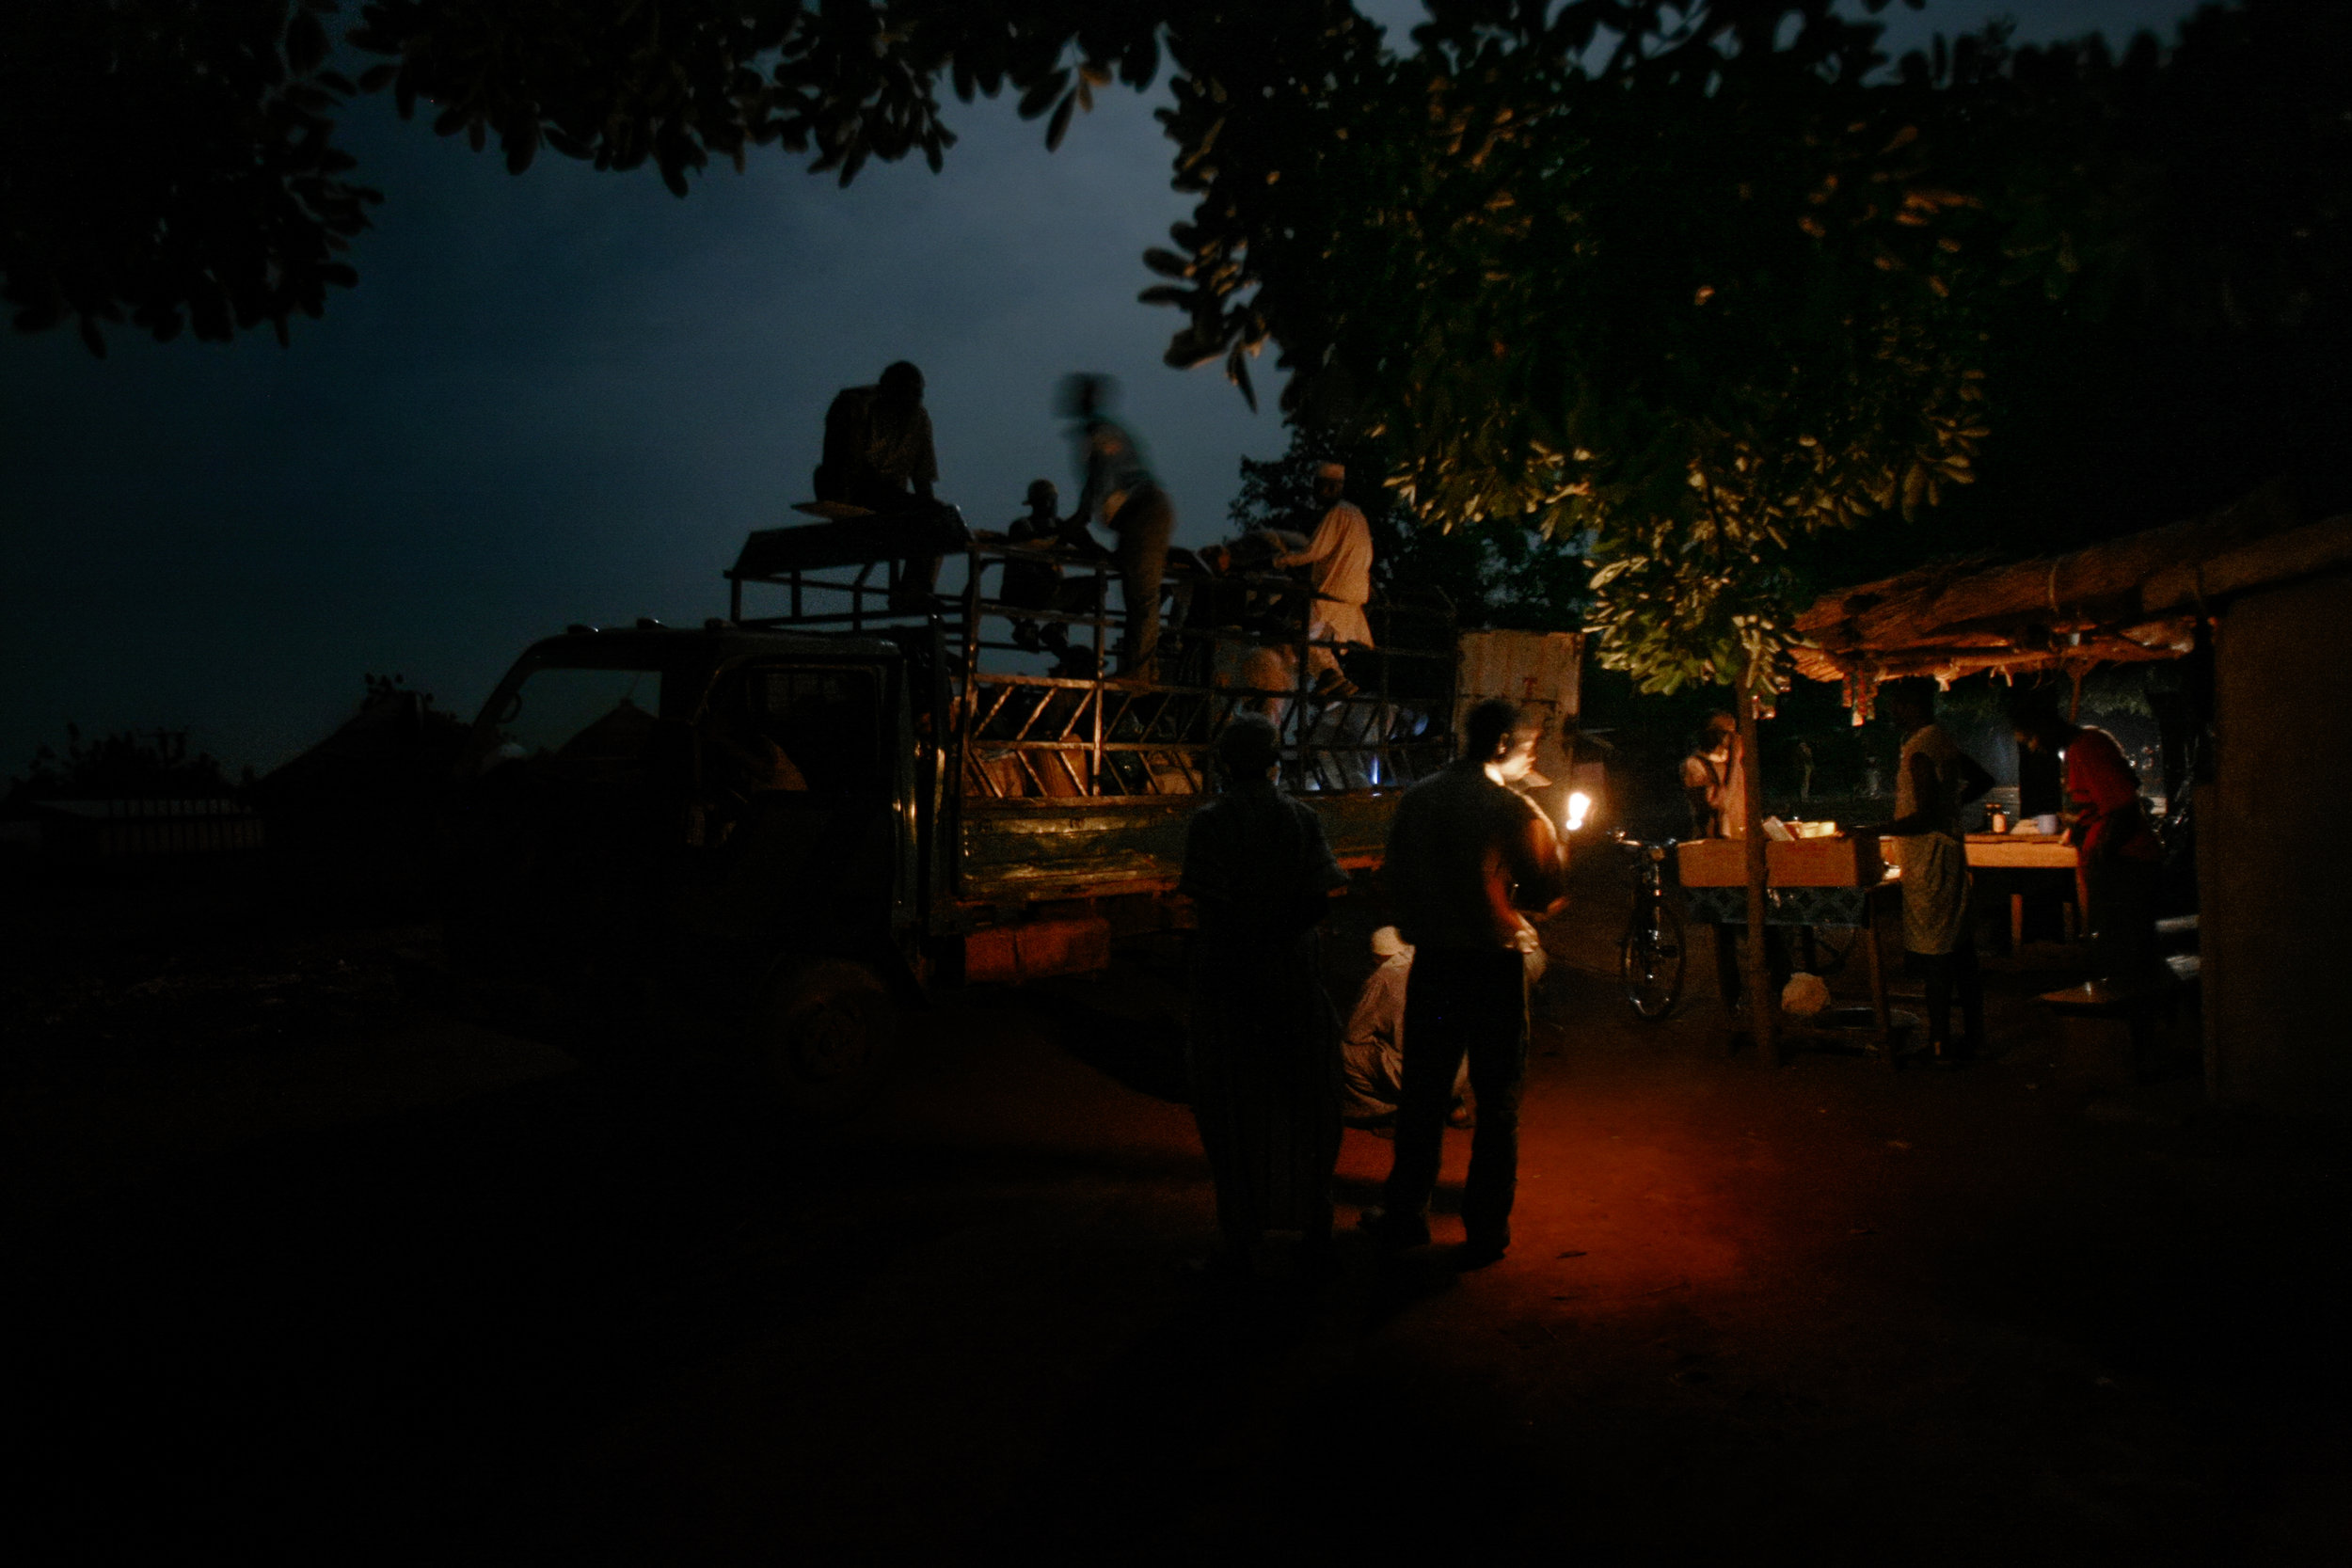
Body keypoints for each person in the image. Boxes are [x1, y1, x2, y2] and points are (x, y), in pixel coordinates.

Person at [1359, 699, 1569, 1267]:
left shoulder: (1420, 798)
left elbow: (1393, 878)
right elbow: (1546, 891)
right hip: (1494, 966)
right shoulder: (1510, 808)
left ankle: (1406, 1215)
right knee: (1498, 1103)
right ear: (1502, 744)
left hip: (1435, 965)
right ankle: (1487, 1228)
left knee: (1423, 1097)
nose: (1530, 760)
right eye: (1528, 748)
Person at [1179, 713, 1351, 1277]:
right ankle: (1314, 1224)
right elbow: (1321, 899)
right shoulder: (1300, 818)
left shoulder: (1210, 823)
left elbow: (1210, 907)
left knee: (1234, 1109)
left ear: (1226, 762)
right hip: (1293, 982)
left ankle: (1242, 1231)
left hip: (1230, 987)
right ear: (1275, 760)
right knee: (1308, 1104)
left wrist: (1244, 941)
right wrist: (1280, 939)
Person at [1866, 679, 1994, 1061]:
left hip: (1930, 859)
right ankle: (1974, 1033)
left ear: (1910, 706)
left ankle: (1939, 1043)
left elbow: (1922, 817)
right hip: (1949, 852)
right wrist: (1952, 805)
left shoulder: (1920, 749)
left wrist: (1874, 830)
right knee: (1961, 946)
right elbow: (1982, 780)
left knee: (1935, 952)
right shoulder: (1942, 740)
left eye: (1895, 705)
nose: (1890, 712)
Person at [2013, 697, 2163, 975]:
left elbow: (2122, 809)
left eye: (2031, 738)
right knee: (2120, 952)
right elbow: (2102, 806)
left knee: (2127, 956)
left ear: (2044, 726)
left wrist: (2101, 859)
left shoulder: (2087, 747)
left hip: (2126, 864)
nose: (2034, 746)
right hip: (2119, 864)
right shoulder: (2080, 749)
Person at [1061, 373, 1177, 677]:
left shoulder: (1102, 433)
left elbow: (1100, 474)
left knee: (1142, 597)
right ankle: (1138, 668)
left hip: (1144, 512)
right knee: (1134, 595)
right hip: (1135, 517)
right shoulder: (1098, 432)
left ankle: (1140, 674)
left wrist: (1082, 515)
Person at [814, 360, 948, 605]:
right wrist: (842, 515)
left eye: (917, 393)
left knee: (939, 516)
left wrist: (932, 518)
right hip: (851, 487)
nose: (913, 399)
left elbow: (922, 478)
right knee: (928, 513)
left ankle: (914, 588)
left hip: (889, 494)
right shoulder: (858, 406)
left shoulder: (918, 418)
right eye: (906, 392)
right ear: (887, 390)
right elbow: (842, 463)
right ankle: (910, 591)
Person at [1272, 462, 1375, 700]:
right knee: (1316, 643)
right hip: (1353, 591)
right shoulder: (1356, 514)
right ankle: (1335, 683)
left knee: (1299, 635)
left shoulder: (1338, 513)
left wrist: (1278, 561)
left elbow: (1313, 552)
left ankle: (1330, 678)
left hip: (1333, 590)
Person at [1682, 712, 1743, 839]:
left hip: (1740, 837)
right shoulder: (1695, 764)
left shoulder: (1735, 763)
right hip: (1714, 842)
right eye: (1724, 733)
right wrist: (1734, 761)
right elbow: (1718, 804)